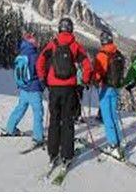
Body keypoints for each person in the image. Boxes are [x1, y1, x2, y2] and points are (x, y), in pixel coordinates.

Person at [36, 17, 92, 168]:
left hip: (54, 87)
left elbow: (40, 60)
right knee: (68, 121)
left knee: (54, 119)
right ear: (71, 29)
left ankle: (53, 153)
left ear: (60, 29)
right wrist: (85, 80)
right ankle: (67, 155)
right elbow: (87, 64)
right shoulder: (75, 45)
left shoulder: (53, 44)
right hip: (70, 88)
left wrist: (42, 78)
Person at [4, 33, 45, 145]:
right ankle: (38, 136)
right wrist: (43, 85)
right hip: (34, 89)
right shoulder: (35, 55)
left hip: (23, 88)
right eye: (35, 40)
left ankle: (10, 128)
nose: (37, 42)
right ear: (31, 42)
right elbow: (39, 71)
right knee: (38, 112)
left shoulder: (22, 54)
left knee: (20, 108)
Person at [92, 30, 125, 159]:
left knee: (107, 117)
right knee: (114, 115)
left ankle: (113, 145)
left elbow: (99, 72)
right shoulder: (118, 53)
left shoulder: (102, 54)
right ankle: (118, 141)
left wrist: (94, 81)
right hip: (116, 88)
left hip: (106, 88)